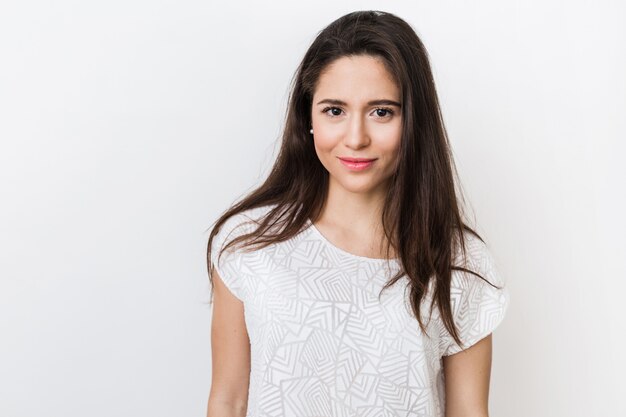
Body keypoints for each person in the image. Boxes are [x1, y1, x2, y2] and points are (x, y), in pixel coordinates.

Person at [205, 10, 510, 417]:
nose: (356, 138)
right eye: (335, 110)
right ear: (308, 117)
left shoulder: (459, 263)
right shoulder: (249, 244)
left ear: (413, 121)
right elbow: (229, 400)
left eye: (381, 111)